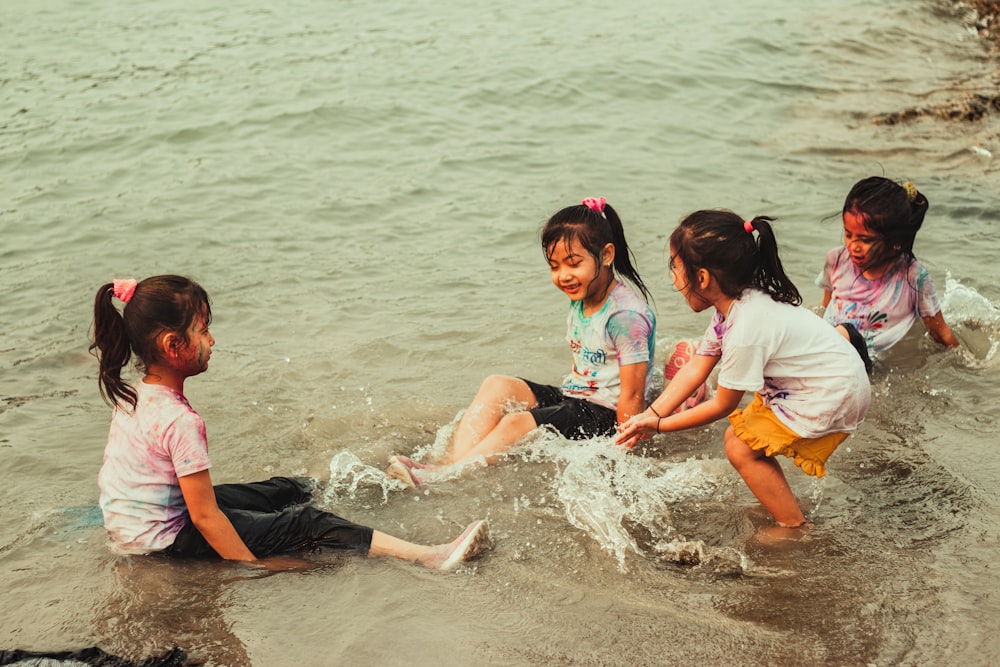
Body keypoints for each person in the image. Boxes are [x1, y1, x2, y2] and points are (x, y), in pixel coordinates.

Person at [90, 275, 489, 570]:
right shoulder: (180, 420)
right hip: (166, 543)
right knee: (308, 522)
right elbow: (205, 518)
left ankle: (375, 489)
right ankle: (428, 557)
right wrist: (254, 565)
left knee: (280, 491)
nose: (212, 341)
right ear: (174, 346)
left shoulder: (134, 394)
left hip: (144, 528)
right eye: (204, 330)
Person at [616, 211, 871, 528]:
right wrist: (649, 415)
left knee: (739, 446)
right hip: (836, 376)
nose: (673, 279)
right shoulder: (737, 305)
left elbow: (723, 404)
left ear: (703, 277)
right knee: (745, 439)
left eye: (674, 267)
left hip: (830, 392)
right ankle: (779, 502)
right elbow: (697, 365)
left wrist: (659, 426)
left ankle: (791, 525)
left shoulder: (745, 328)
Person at [387, 197, 658, 487]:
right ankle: (450, 466)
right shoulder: (585, 294)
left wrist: (623, 457)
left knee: (515, 423)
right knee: (497, 384)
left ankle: (443, 479)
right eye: (554, 266)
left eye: (573, 263)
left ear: (606, 256)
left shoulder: (625, 315)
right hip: (577, 396)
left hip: (605, 414)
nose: (563, 275)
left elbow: (631, 397)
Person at [817, 177, 959, 364]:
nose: (853, 246)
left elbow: (939, 332)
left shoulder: (913, 276)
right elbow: (825, 307)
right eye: (848, 234)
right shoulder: (835, 260)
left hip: (870, 363)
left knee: (848, 341)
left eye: (865, 240)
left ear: (895, 242)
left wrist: (969, 367)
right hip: (828, 350)